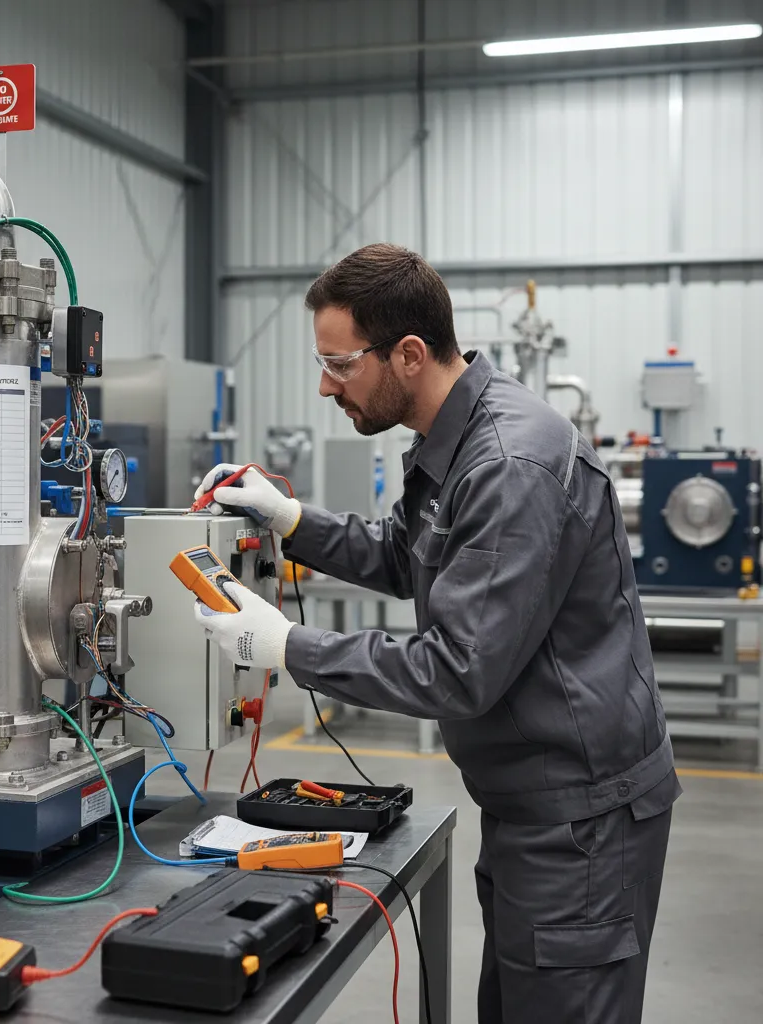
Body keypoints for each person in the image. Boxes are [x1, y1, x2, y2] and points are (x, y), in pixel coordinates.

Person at [193, 243, 679, 1024]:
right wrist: (290, 520)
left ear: (409, 354)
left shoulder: (508, 461)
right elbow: (405, 554)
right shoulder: (457, 436)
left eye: (341, 364)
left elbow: (459, 668)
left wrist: (287, 646)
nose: (325, 385)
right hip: (536, 805)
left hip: (581, 823)